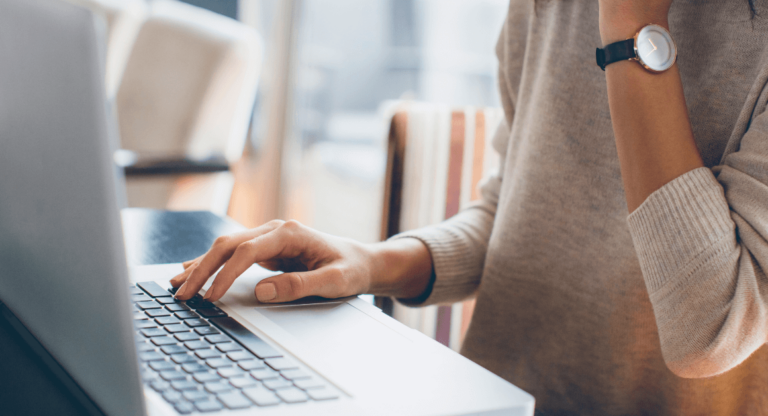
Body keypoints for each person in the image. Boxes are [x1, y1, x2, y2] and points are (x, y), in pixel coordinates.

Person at [171, 0, 768, 414]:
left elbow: (708, 328)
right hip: (498, 401)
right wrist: (368, 263)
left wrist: (632, 27)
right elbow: (515, 210)